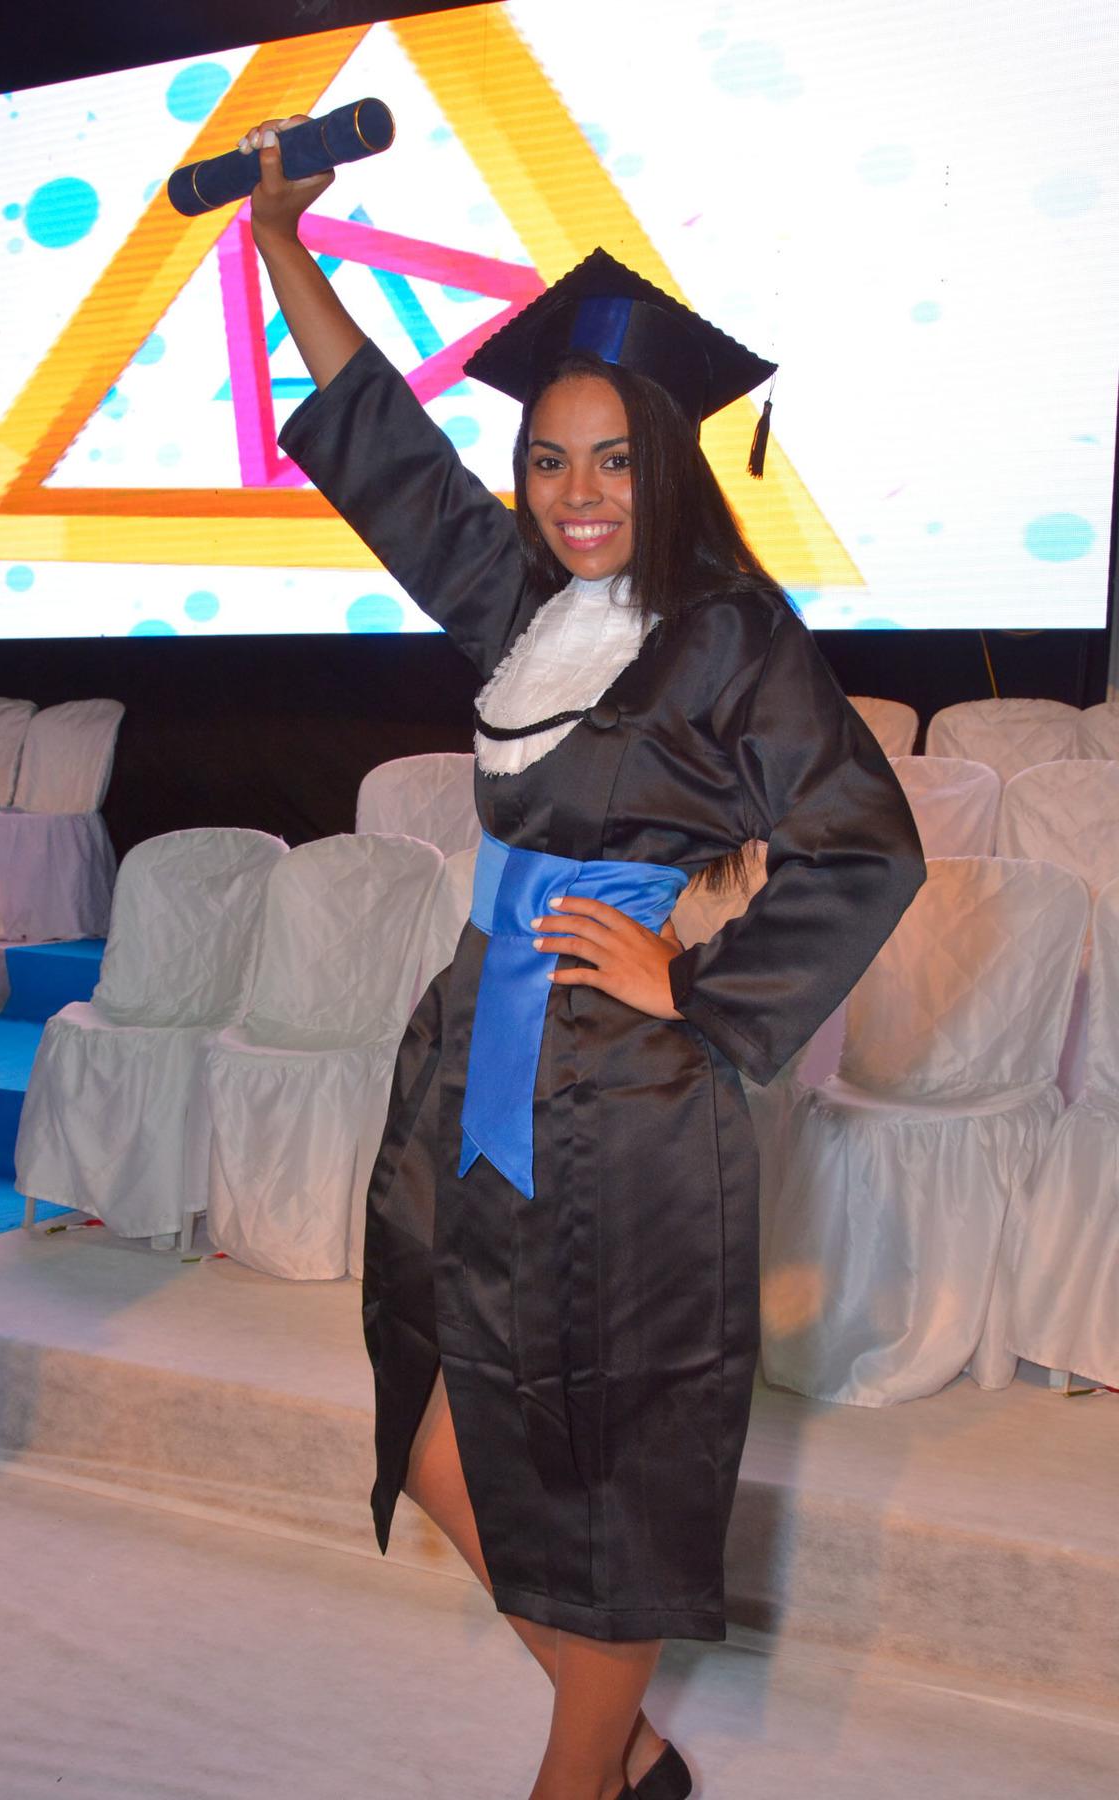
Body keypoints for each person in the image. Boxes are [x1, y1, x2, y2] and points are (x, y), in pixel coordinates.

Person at [242, 117, 926, 1800]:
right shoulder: (522, 605)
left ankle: (578, 1780)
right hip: (475, 1063)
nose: (578, 493)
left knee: (605, 1465)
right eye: (549, 461)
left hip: (625, 1106)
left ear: (669, 464)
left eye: (614, 459)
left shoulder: (730, 638)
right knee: (439, 1433)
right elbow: (386, 451)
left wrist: (697, 989)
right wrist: (280, 247)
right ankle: (629, 1756)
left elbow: (866, 845)